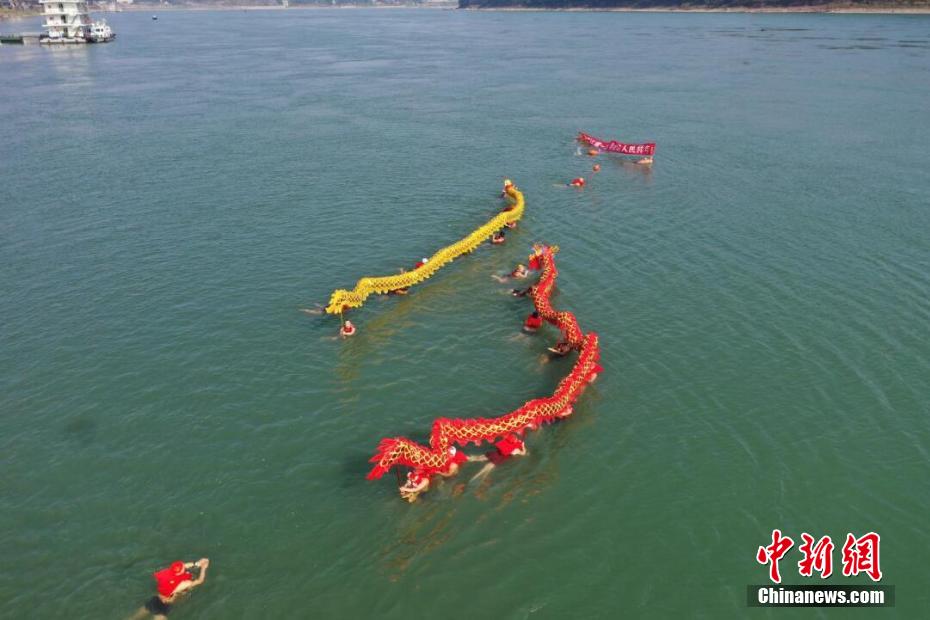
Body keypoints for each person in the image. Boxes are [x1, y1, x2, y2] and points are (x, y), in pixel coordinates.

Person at [131, 559, 210, 619]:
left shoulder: (164, 573)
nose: (184, 566)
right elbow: (200, 581)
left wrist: (197, 563)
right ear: (180, 572)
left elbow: (182, 567)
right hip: (164, 605)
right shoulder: (184, 583)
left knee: (133, 618)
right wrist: (203, 568)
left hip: (156, 599)